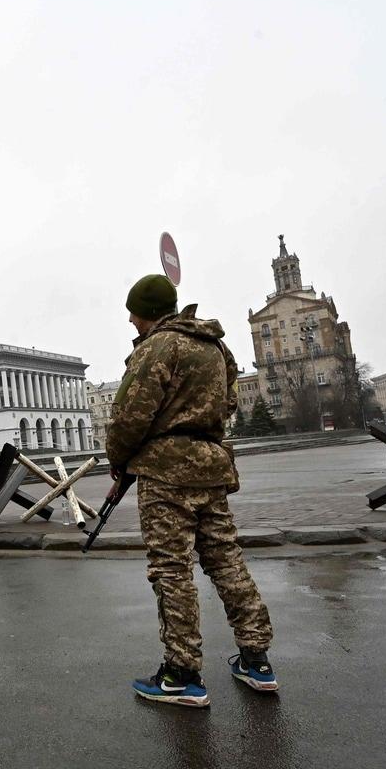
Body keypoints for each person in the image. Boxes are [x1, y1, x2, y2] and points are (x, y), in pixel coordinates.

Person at [105, 275, 278, 708]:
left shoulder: (157, 349)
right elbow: (230, 401)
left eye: (132, 313)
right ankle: (256, 659)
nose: (130, 320)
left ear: (143, 312)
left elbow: (130, 416)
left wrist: (120, 458)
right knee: (226, 559)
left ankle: (181, 673)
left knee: (171, 568)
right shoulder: (217, 348)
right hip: (211, 466)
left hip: (166, 474)